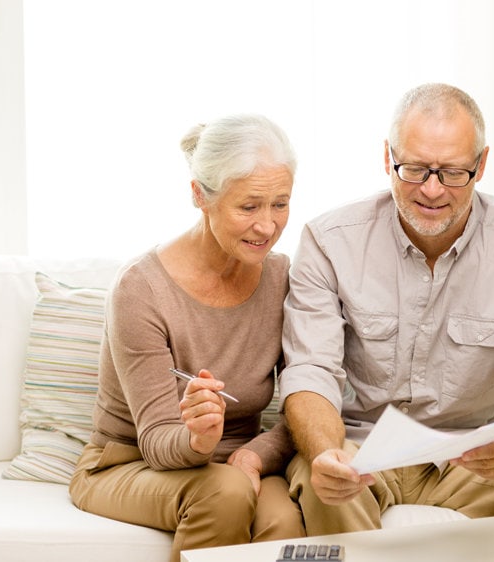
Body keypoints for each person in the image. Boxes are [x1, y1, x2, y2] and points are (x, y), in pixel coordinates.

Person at [279, 83, 494, 562]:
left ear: (482, 165)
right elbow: (310, 373)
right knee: (318, 475)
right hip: (363, 451)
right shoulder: (330, 241)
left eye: (453, 173)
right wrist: (328, 452)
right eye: (414, 169)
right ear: (387, 157)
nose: (432, 190)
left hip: (475, 457)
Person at [69, 114, 305, 562]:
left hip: (238, 462)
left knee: (286, 522)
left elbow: (303, 405)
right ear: (200, 195)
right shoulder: (140, 289)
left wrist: (254, 456)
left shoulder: (281, 277)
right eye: (249, 206)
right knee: (227, 493)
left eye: (281, 203)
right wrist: (200, 438)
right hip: (129, 462)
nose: (268, 226)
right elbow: (157, 440)